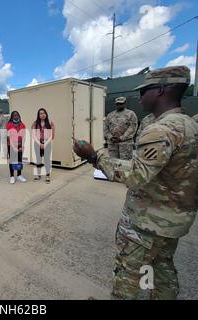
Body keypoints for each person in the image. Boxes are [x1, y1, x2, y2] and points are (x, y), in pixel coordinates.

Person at [73, 66, 198, 300]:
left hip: (147, 222)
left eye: (145, 90)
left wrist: (93, 156)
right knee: (160, 268)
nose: (140, 96)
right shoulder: (190, 125)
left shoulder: (162, 130)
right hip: (173, 221)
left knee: (128, 274)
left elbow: (136, 175)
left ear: (161, 90)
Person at [31, 108, 55, 184]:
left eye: (44, 113)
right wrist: (40, 144)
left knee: (47, 160)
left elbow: (52, 136)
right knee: (38, 160)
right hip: (37, 143)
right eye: (40, 113)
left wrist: (45, 144)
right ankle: (39, 175)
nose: (42, 114)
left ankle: (47, 175)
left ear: (46, 114)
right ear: (38, 115)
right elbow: (33, 135)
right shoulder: (35, 123)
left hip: (47, 143)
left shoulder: (50, 123)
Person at [6, 111, 27, 184]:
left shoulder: (22, 124)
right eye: (14, 115)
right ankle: (11, 176)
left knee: (19, 160)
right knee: (12, 161)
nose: (16, 116)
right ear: (12, 116)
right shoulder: (9, 124)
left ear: (19, 116)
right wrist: (13, 147)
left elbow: (24, 136)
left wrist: (22, 146)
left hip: (20, 145)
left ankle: (19, 175)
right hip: (11, 145)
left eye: (17, 115)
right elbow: (8, 137)